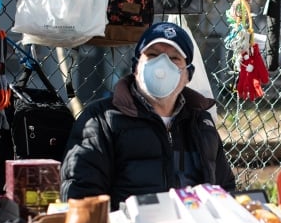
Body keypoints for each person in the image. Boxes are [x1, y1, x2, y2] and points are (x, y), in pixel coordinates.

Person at [60, 22, 236, 210]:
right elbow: (81, 198)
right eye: (152, 55)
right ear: (136, 67)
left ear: (187, 75)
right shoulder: (100, 120)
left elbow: (224, 191)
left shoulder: (201, 123)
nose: (162, 65)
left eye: (174, 58)